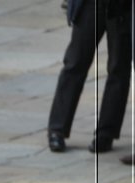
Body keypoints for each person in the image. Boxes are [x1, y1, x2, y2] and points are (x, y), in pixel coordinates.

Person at [46, 0, 131, 154]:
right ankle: (57, 129)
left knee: (119, 68)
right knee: (75, 62)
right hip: (89, 4)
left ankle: (106, 133)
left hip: (123, 7)